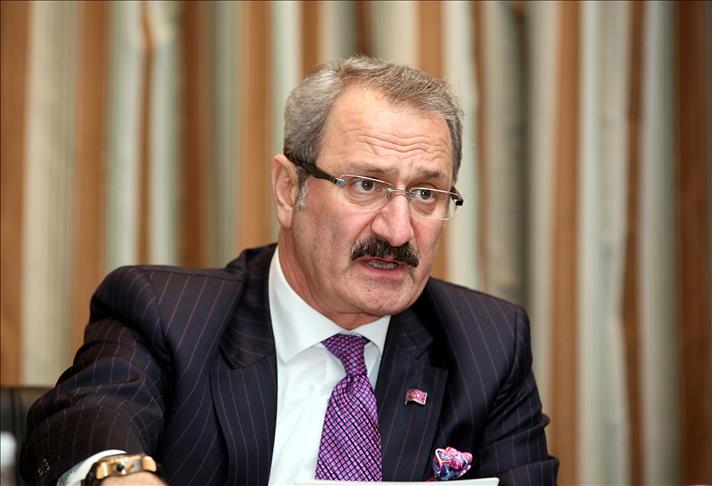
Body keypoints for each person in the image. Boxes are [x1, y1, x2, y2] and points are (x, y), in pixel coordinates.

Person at [20, 56, 558, 485]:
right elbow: (85, 417)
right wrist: (122, 474)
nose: (397, 232)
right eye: (365, 185)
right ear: (288, 190)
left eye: (424, 194)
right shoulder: (167, 314)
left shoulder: (487, 345)